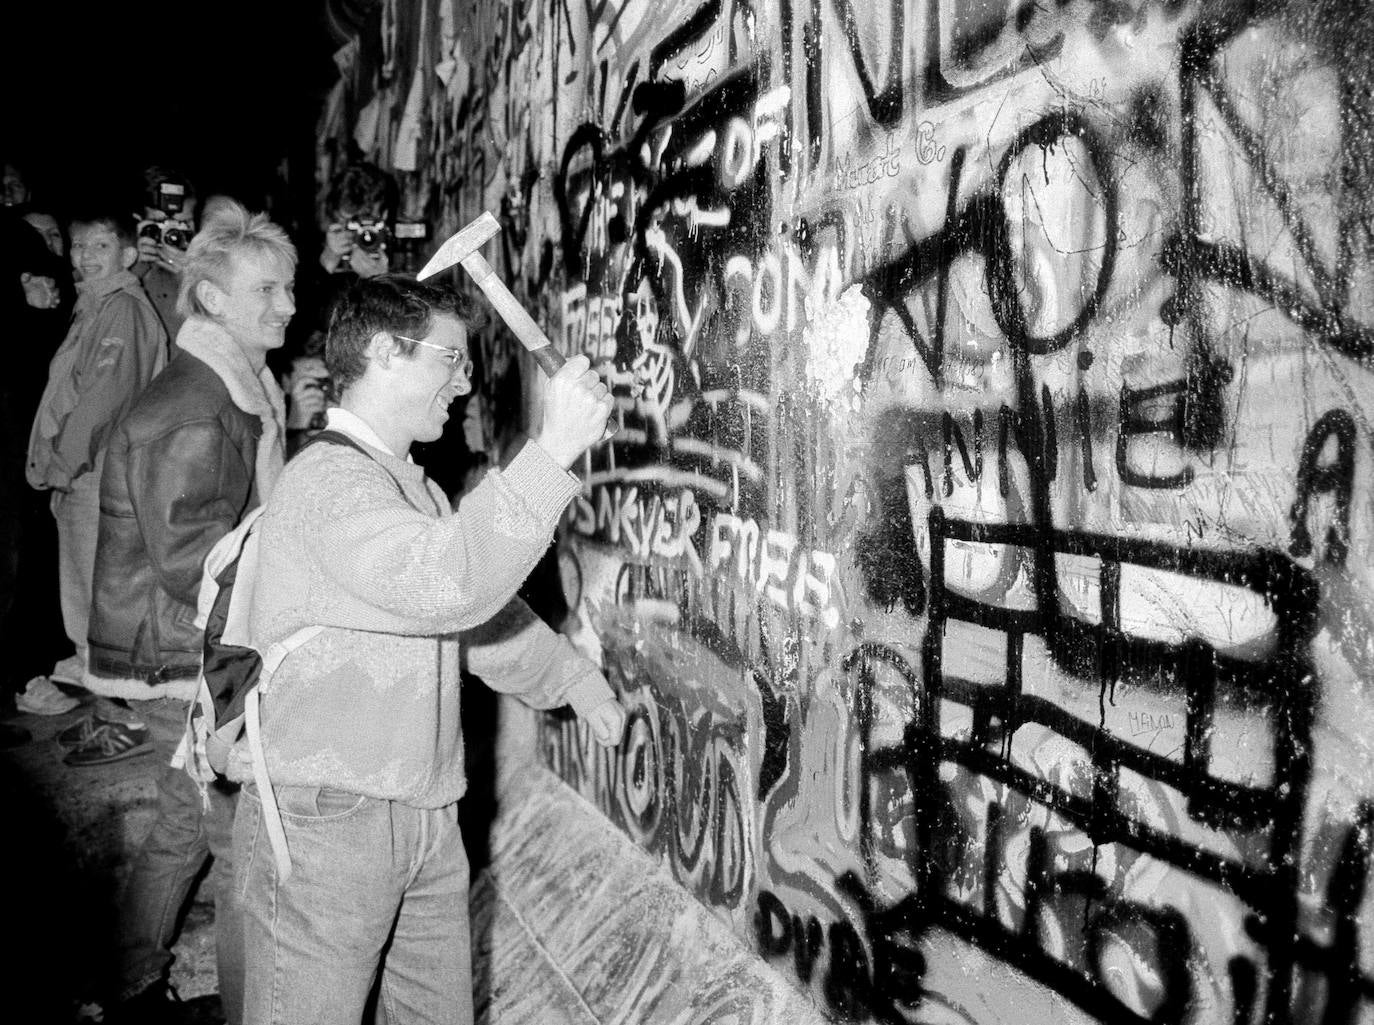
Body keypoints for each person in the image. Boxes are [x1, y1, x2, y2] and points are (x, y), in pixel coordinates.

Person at [231, 274, 625, 1024]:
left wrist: (573, 679)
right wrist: (553, 451)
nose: (465, 381)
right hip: (330, 824)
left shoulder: (410, 488)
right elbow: (449, 584)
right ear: (384, 351)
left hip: (425, 813)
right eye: (451, 358)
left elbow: (470, 624)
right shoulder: (327, 484)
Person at [81, 201, 296, 1023]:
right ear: (212, 301)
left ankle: (131, 983)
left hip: (180, 646)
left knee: (182, 822)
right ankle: (249, 1006)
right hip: (183, 653)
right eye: (267, 291)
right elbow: (191, 566)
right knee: (236, 838)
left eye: (287, 289)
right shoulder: (196, 407)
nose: (287, 306)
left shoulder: (226, 387)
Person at [24, 209, 166, 699]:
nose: (85, 256)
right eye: (78, 245)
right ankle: (113, 708)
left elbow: (101, 401)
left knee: (95, 603)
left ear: (128, 254)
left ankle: (121, 713)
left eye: (100, 246)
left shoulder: (120, 311)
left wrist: (60, 467)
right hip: (92, 472)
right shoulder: (95, 305)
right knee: (88, 602)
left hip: (96, 475)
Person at [134, 166, 198, 342]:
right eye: (160, 223)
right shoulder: (118, 262)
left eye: (182, 223)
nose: (172, 233)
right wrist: (134, 269)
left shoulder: (211, 266)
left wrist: (192, 280)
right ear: (139, 222)